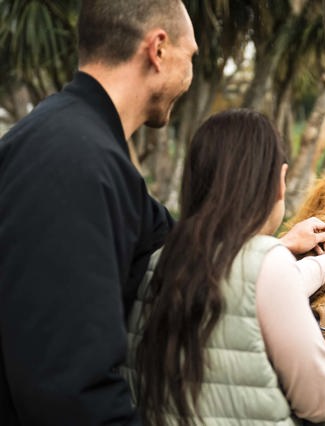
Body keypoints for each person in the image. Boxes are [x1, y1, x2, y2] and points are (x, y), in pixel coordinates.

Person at [0, 1, 198, 424]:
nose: (191, 76)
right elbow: (69, 390)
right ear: (158, 50)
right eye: (191, 56)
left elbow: (174, 238)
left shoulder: (73, 137)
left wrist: (267, 253)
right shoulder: (77, 161)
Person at [125, 109, 325, 426]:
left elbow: (247, 287)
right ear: (279, 184)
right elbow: (318, 398)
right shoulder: (268, 264)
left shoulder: (157, 260)